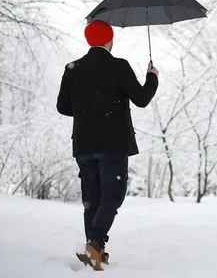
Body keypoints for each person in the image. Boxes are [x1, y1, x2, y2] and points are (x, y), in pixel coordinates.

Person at [57, 20, 159, 271]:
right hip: (113, 144)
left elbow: (62, 107)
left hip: (83, 145)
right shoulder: (119, 66)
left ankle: (96, 253)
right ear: (109, 40)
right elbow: (142, 99)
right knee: (113, 196)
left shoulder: (73, 68)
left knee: (92, 199)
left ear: (89, 40)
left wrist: (87, 112)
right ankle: (95, 243)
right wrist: (152, 77)